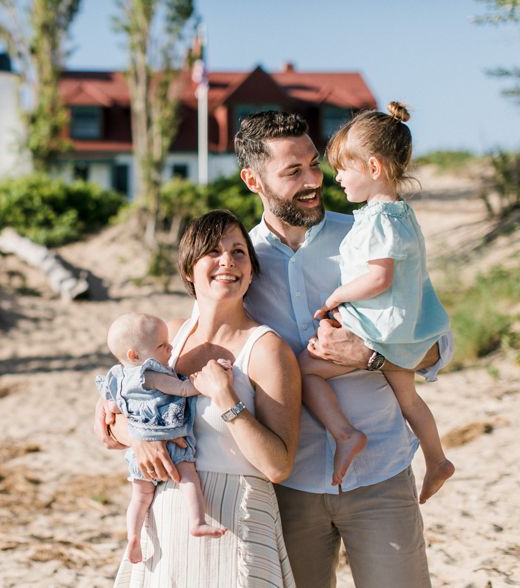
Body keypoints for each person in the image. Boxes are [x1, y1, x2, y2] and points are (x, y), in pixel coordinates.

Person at [233, 111, 452, 587]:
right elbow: (204, 344)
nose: (314, 181)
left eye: (315, 164)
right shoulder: (239, 264)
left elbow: (436, 346)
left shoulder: (368, 234)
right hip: (285, 486)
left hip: (382, 473)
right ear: (253, 180)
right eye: (293, 172)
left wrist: (370, 356)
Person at [99, 210, 301, 586]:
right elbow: (112, 425)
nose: (227, 261)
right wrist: (139, 437)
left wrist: (226, 399)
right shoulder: (167, 340)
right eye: (212, 251)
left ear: (252, 271)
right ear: (189, 270)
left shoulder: (267, 349)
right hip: (167, 516)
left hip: (238, 517)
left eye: (239, 251)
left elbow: (278, 466)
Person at [294, 102, 454, 502]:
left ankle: (346, 435)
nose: (337, 178)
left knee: (306, 370)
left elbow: (379, 277)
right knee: (408, 399)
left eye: (344, 169)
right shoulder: (400, 214)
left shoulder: (379, 218)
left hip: (379, 327)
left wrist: (337, 296)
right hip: (400, 327)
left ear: (374, 168)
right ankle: (437, 460)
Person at [97, 312, 227, 565]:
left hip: (138, 455)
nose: (171, 347)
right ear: (135, 355)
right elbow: (182, 389)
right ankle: (197, 521)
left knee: (140, 496)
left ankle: (133, 536)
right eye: (162, 345)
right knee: (188, 478)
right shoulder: (152, 373)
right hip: (171, 441)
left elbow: (111, 408)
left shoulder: (117, 377)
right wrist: (209, 380)